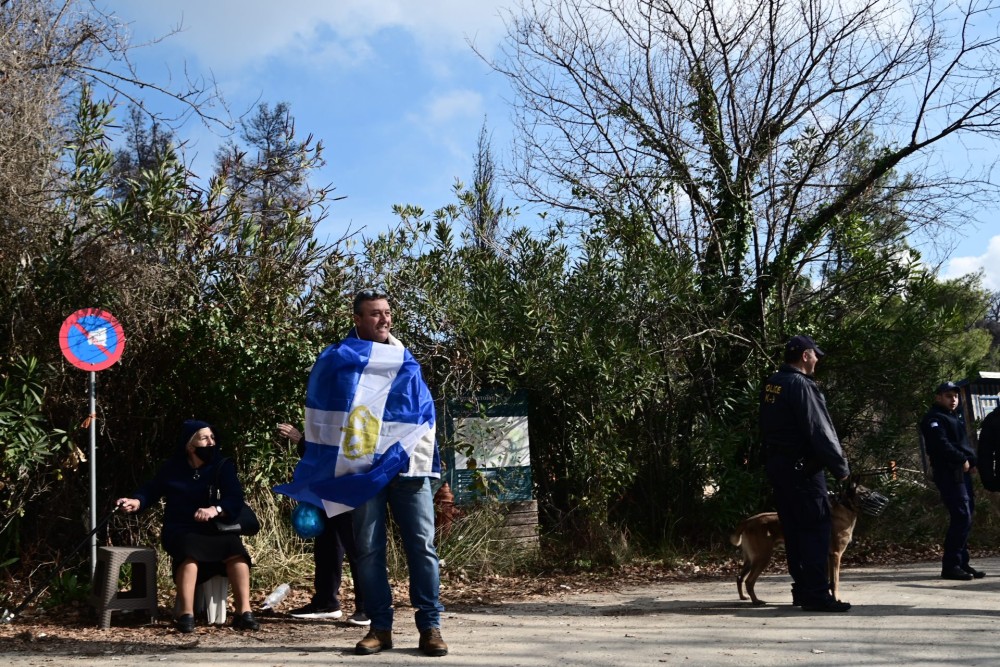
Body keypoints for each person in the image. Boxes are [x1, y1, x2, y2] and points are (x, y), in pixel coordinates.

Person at [277, 288, 446, 656]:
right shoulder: (338, 360)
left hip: (406, 465)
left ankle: (430, 626)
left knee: (422, 546)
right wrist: (319, 455)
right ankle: (380, 627)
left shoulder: (404, 359)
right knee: (368, 550)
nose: (384, 319)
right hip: (362, 469)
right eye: (374, 314)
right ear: (357, 319)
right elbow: (328, 413)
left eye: (387, 312)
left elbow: (422, 410)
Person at [117, 420, 261, 632]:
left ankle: (244, 612)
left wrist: (216, 509)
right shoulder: (173, 468)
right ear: (189, 445)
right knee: (189, 552)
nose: (211, 443)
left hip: (213, 527)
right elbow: (152, 489)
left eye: (212, 438)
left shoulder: (222, 466)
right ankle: (186, 615)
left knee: (236, 550)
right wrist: (136, 501)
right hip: (180, 528)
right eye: (204, 438)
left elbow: (235, 498)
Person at [759, 335, 851, 612]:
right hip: (803, 471)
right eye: (816, 355)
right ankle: (816, 595)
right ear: (806, 355)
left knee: (794, 531)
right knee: (814, 529)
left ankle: (801, 589)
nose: (818, 360)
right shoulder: (801, 385)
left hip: (779, 468)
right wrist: (841, 468)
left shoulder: (773, 383)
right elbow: (820, 430)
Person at [276, 422, 369, 626]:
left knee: (356, 547)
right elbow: (322, 453)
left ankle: (367, 607)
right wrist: (303, 442)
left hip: (351, 485)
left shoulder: (353, 409)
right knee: (328, 545)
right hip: (328, 487)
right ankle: (326, 603)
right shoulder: (326, 413)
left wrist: (301, 441)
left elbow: (342, 450)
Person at [920, 381, 984, 581]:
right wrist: (960, 459)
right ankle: (951, 565)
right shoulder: (933, 419)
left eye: (955, 396)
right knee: (961, 515)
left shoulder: (953, 417)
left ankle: (962, 563)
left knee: (967, 516)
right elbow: (941, 445)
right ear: (938, 397)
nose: (953, 399)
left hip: (961, 473)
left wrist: (971, 460)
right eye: (948, 396)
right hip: (948, 472)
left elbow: (962, 444)